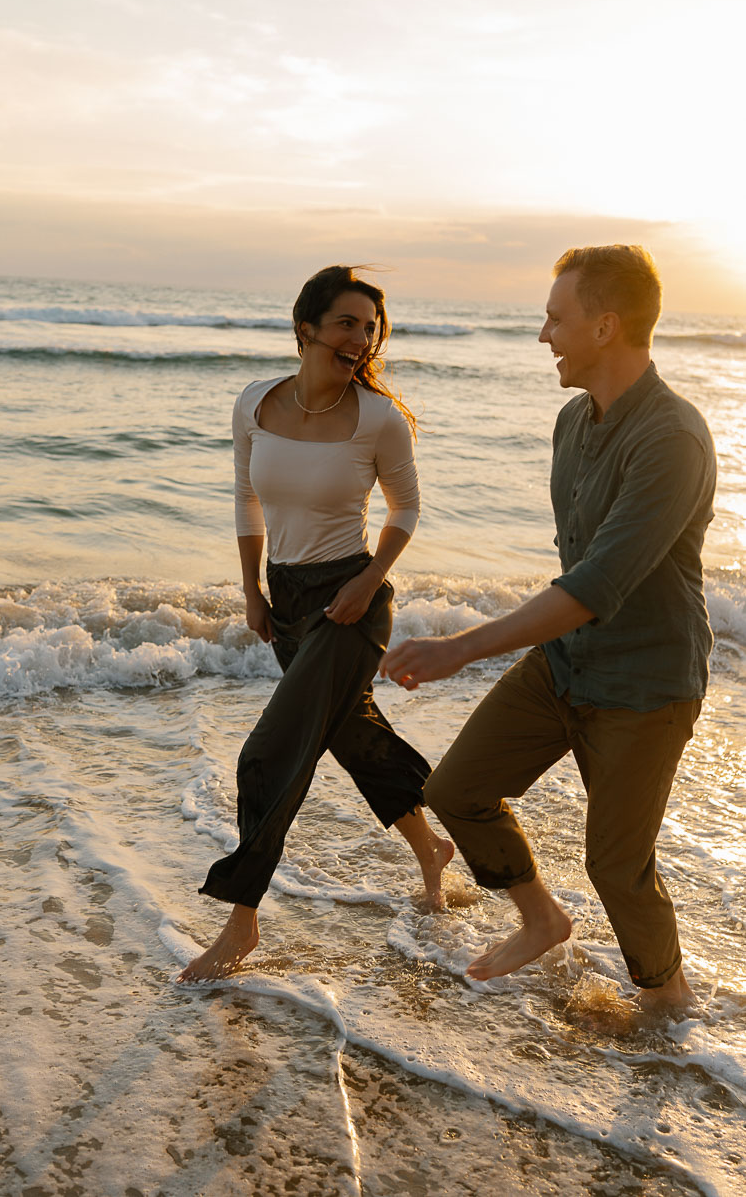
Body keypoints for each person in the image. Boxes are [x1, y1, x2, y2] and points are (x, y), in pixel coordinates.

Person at [380, 245, 716, 1013]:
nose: (542, 336)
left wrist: (458, 648)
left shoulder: (673, 438)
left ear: (605, 326)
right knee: (457, 790)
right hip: (562, 666)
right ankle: (542, 921)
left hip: (644, 684)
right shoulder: (572, 421)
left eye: (555, 319)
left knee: (617, 866)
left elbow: (595, 584)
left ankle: (671, 1016)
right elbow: (576, 564)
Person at [178, 265, 454, 983]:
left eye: (370, 328)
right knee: (350, 734)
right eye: (346, 323)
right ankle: (432, 847)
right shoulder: (253, 404)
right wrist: (249, 589)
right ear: (305, 328)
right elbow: (245, 498)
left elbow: (405, 510)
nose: (361, 339)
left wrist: (368, 582)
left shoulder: (378, 419)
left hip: (350, 599)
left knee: (269, 753)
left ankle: (240, 924)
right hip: (287, 597)